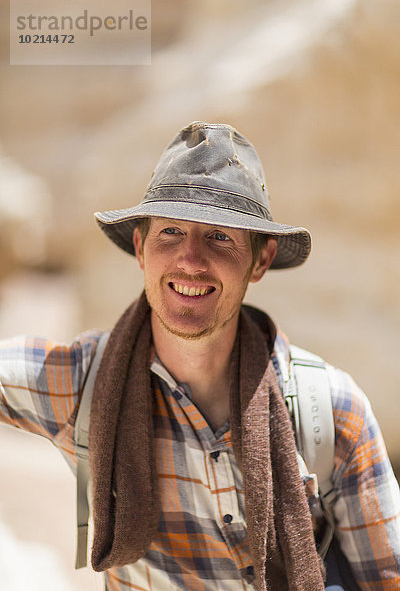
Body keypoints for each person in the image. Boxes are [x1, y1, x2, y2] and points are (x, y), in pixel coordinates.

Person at [0, 121, 399, 591]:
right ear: (140, 249)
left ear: (261, 260)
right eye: (170, 231)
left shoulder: (330, 409)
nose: (190, 260)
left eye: (220, 237)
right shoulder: (83, 380)